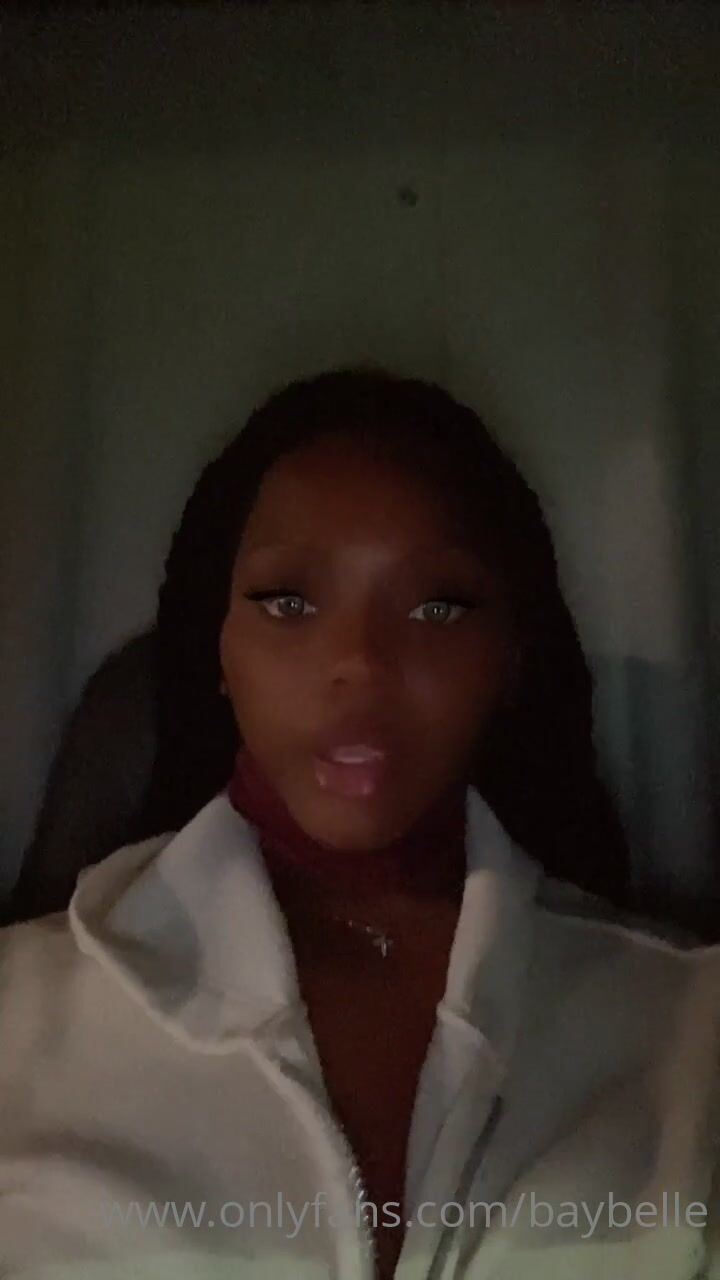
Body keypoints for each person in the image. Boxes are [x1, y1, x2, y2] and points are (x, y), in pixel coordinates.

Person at [0, 366, 718, 1280]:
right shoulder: (17, 1012)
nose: (361, 663)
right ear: (216, 644)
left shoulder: (691, 1031)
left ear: (512, 656)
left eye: (437, 606)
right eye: (289, 602)